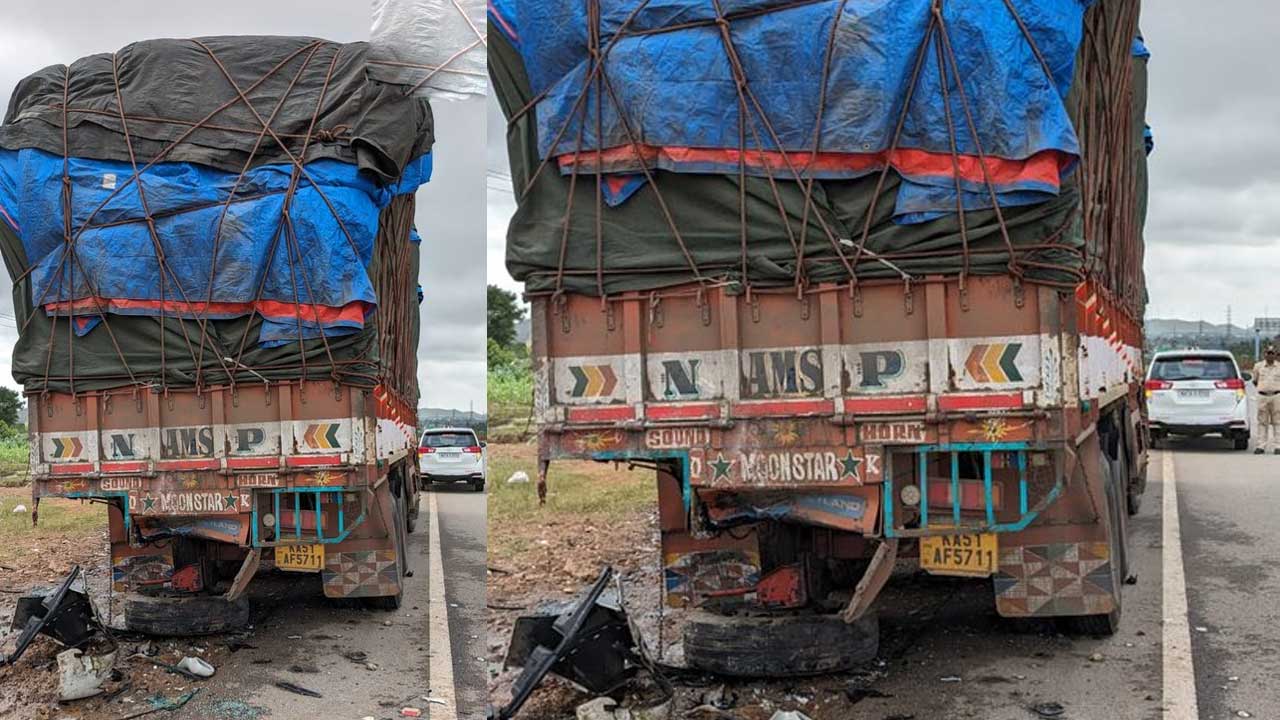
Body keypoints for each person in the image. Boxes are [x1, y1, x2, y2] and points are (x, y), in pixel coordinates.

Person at [1253, 346, 1280, 454]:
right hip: (1262, 396)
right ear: (1264, 354)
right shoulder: (1258, 366)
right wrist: (1264, 389)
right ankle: (1261, 446)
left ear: (1275, 354)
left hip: (1276, 396)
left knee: (1278, 422)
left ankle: (1278, 446)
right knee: (1262, 422)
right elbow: (1255, 381)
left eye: (1272, 353)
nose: (1270, 355)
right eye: (1268, 353)